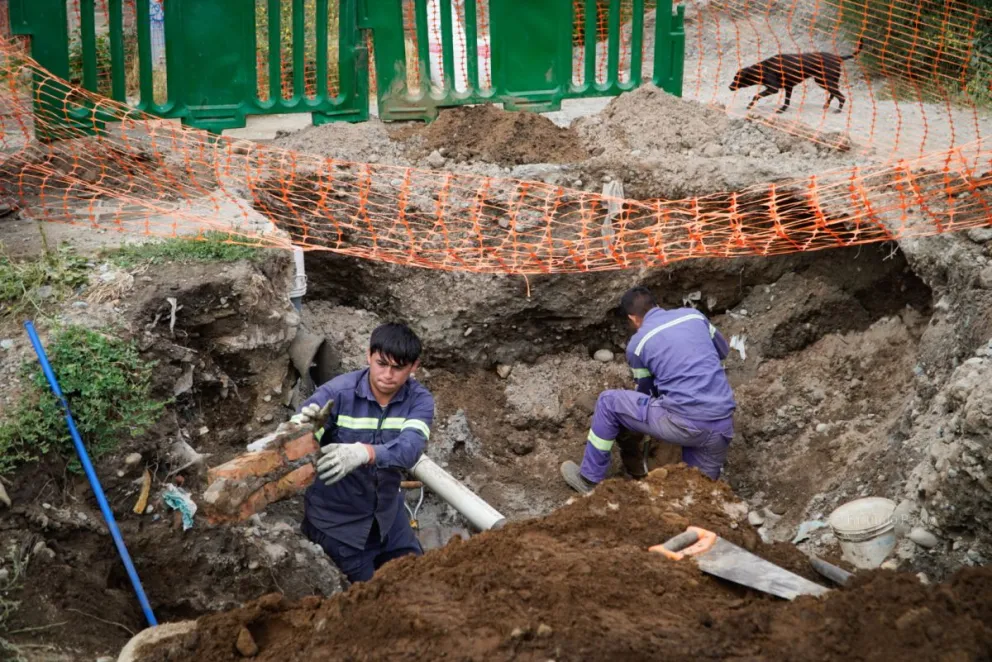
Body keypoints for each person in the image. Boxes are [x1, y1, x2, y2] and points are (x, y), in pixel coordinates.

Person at [294, 322, 434, 583]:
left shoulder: (419, 400)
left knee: (420, 582)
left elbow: (410, 449)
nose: (388, 375)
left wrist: (365, 452)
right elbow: (295, 440)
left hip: (389, 519)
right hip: (339, 525)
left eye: (398, 368)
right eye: (381, 364)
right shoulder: (337, 394)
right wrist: (304, 431)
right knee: (367, 597)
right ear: (369, 355)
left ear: (414, 366)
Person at [561, 286, 736, 493]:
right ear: (656, 305)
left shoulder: (639, 343)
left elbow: (646, 392)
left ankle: (589, 479)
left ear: (632, 318)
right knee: (695, 493)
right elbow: (723, 351)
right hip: (722, 425)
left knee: (608, 401)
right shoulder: (694, 316)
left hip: (685, 424)